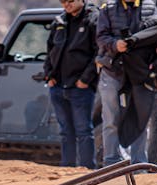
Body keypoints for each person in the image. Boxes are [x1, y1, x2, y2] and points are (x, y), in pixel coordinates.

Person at [96, 0, 157, 167]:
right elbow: (101, 37)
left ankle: (139, 163)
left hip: (139, 72)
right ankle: (111, 163)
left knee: (140, 118)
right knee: (111, 118)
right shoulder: (108, 9)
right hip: (112, 71)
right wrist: (115, 45)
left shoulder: (150, 7)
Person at [44, 0, 99, 169]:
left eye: (70, 1)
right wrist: (48, 75)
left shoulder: (93, 19)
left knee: (84, 131)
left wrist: (85, 80)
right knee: (65, 131)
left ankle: (87, 170)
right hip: (58, 85)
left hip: (80, 88)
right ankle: (67, 169)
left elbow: (99, 53)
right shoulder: (59, 21)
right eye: (63, 1)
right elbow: (49, 51)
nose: (66, 4)